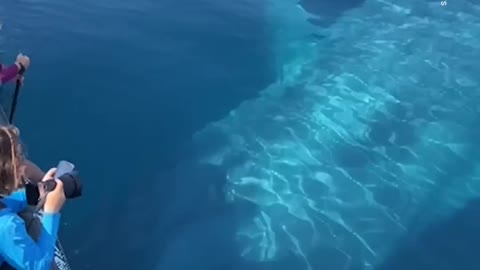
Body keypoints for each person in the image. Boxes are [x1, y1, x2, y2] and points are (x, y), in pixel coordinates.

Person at [0, 125, 66, 269]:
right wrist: (51, 213)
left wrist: (34, 193)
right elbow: (40, 266)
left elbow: (4, 203)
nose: (24, 164)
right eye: (19, 158)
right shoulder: (6, 227)